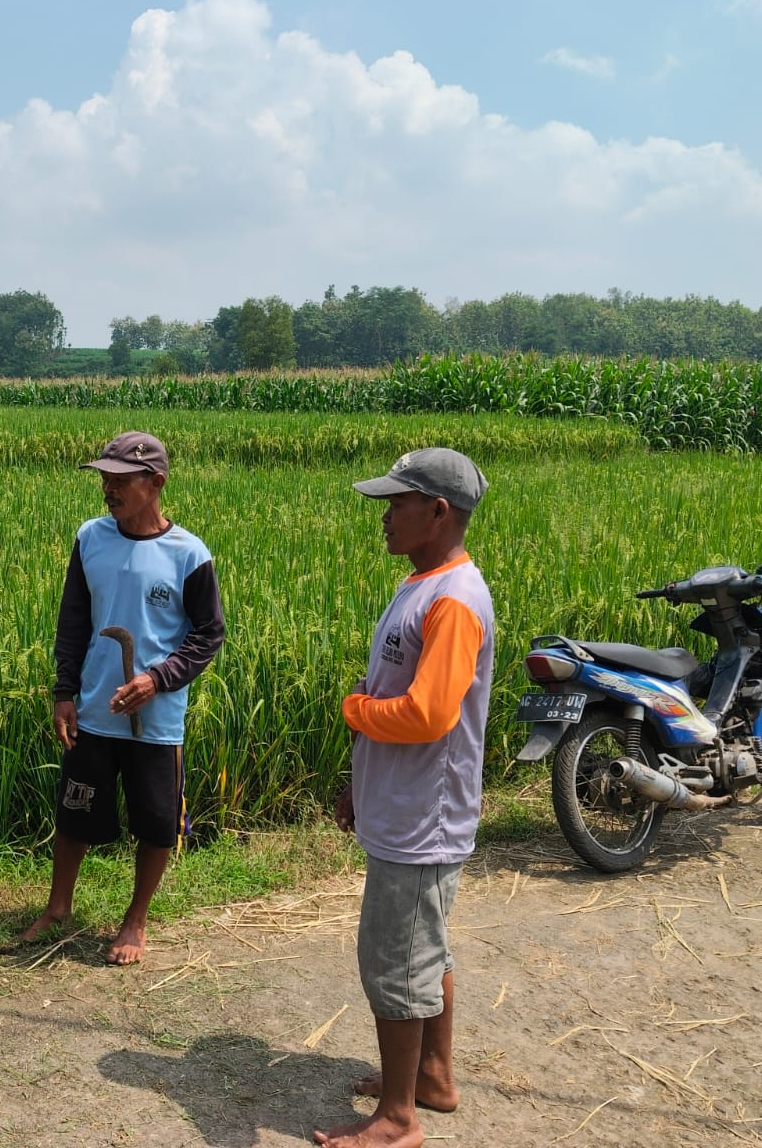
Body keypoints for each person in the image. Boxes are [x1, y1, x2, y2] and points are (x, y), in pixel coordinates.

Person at [315, 447, 494, 1148]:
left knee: (396, 961)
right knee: (427, 950)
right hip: (404, 805)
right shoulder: (423, 583)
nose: (386, 516)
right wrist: (357, 779)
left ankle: (396, 1120)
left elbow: (425, 715)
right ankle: (434, 1075)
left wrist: (352, 712)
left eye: (398, 503)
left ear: (439, 512)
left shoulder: (452, 600)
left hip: (425, 819)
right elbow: (398, 694)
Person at [18, 431, 226, 965]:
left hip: (155, 721)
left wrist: (158, 679)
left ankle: (135, 921)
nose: (108, 488)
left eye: (120, 480)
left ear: (155, 483)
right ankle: (58, 906)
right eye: (104, 478)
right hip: (93, 710)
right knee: (75, 810)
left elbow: (207, 635)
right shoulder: (91, 539)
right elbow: (75, 621)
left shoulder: (189, 554)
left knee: (156, 822)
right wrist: (65, 691)